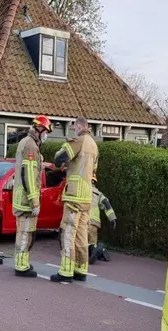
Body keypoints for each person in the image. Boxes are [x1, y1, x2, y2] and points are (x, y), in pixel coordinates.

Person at [50, 117, 98, 283]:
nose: (74, 130)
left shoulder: (77, 141)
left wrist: (62, 162)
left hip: (74, 196)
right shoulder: (94, 145)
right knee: (81, 234)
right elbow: (93, 171)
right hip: (87, 196)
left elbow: (60, 158)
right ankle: (81, 269)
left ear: (78, 126)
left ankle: (66, 271)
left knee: (68, 232)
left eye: (74, 127)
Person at [12, 115, 52, 278]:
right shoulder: (30, 146)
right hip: (26, 200)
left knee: (25, 232)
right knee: (25, 233)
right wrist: (34, 202)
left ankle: (22, 262)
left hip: (24, 197)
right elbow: (28, 175)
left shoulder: (29, 143)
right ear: (40, 129)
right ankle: (21, 266)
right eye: (46, 131)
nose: (46, 135)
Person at [88, 173, 116, 264]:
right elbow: (106, 205)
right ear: (95, 182)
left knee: (80, 240)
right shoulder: (98, 194)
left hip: (82, 219)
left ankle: (91, 251)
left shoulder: (81, 190)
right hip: (94, 222)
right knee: (91, 241)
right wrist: (112, 219)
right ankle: (96, 249)